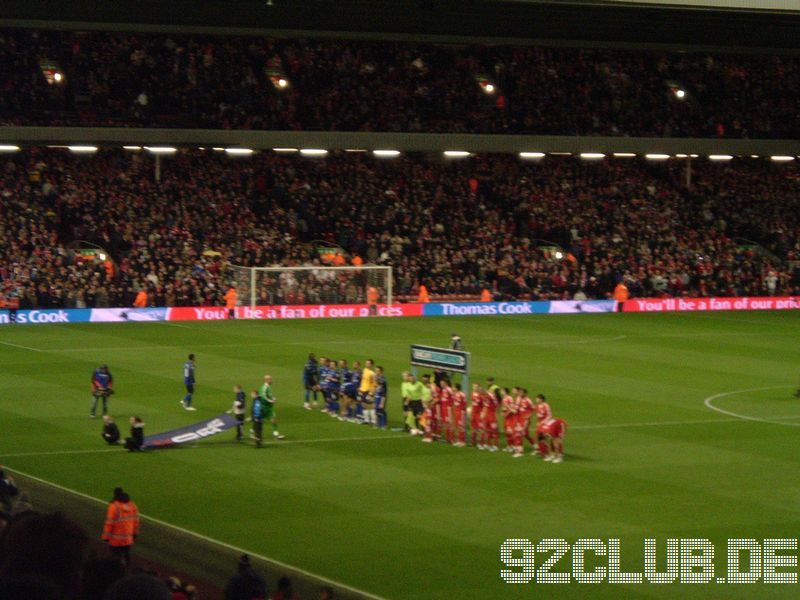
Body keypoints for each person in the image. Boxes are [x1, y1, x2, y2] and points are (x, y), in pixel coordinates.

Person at [101, 487, 140, 567]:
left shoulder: (114, 506)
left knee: (115, 559)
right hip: (128, 539)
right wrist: (135, 533)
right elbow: (136, 520)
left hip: (116, 540)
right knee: (127, 556)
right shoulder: (132, 505)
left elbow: (109, 523)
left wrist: (105, 537)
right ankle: (127, 570)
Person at [259, 375, 285, 439]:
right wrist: (271, 401)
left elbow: (268, 395)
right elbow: (263, 396)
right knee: (260, 421)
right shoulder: (264, 387)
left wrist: (273, 398)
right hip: (264, 407)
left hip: (269, 407)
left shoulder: (268, 387)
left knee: (274, 419)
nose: (271, 381)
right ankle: (253, 431)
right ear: (266, 380)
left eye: (271, 379)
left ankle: (275, 433)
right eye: (270, 379)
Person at [358, 359, 377, 424]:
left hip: (368, 391)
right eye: (366, 363)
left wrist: (371, 393)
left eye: (368, 363)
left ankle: (373, 421)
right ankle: (366, 420)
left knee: (371, 406)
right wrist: (360, 388)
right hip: (362, 390)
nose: (367, 364)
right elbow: (363, 380)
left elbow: (374, 384)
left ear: (371, 365)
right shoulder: (364, 370)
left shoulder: (372, 373)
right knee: (364, 405)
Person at [451, 382, 467, 447]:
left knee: (461, 427)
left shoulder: (462, 395)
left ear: (457, 388)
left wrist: (463, 411)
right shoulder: (454, 395)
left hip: (461, 412)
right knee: (457, 426)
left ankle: (462, 441)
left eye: (454, 387)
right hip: (456, 412)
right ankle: (458, 440)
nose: (453, 388)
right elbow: (455, 404)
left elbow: (465, 403)